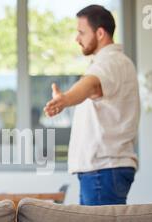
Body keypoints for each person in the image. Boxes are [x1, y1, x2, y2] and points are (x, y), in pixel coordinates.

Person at [44, 5, 140, 206]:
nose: (77, 39)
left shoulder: (111, 62)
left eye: (81, 32)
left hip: (103, 170)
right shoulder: (113, 62)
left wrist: (65, 99)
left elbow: (91, 85)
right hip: (103, 170)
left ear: (100, 33)